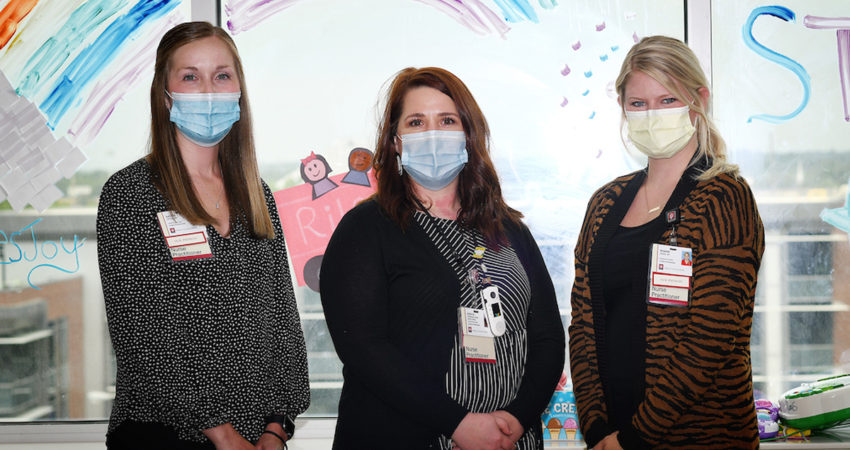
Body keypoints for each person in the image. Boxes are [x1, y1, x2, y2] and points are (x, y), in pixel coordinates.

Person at [320, 67, 565, 449]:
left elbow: (548, 336)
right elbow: (364, 348)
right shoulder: (366, 228)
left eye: (447, 120)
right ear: (396, 141)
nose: (432, 133)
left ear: (468, 134)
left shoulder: (509, 228)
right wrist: (460, 425)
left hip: (510, 439)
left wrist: (515, 420)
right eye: (416, 122)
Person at [97, 22, 309, 450]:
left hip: (257, 436)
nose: (209, 91)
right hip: (164, 435)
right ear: (165, 95)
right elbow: (141, 335)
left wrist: (276, 427)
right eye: (191, 76)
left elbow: (282, 318)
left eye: (222, 75)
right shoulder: (130, 193)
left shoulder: (256, 194)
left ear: (239, 90)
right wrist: (222, 434)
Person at [568, 35, 765, 449]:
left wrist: (635, 437)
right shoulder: (605, 203)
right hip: (610, 436)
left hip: (701, 438)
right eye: (638, 103)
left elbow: (711, 337)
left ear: (699, 101)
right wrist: (597, 429)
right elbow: (583, 324)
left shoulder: (724, 198)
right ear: (623, 107)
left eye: (667, 100)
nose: (652, 114)